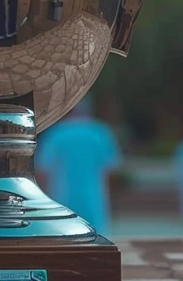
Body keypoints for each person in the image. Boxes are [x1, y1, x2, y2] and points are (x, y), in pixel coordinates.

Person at [35, 97, 122, 237]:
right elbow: (110, 171)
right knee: (96, 241)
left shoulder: (56, 134)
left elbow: (43, 172)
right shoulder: (100, 133)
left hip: (61, 202)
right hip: (94, 201)